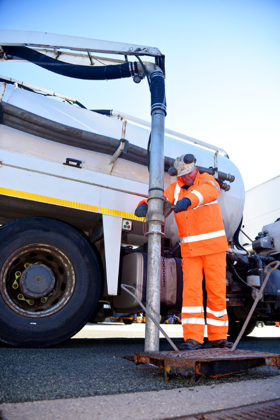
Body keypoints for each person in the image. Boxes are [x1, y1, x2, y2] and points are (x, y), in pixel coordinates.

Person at [135, 153, 232, 350]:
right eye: (184, 175)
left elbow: (208, 192)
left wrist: (188, 201)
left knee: (216, 292)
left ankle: (218, 337)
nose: (189, 176)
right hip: (191, 251)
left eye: (190, 172)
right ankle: (193, 339)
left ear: (195, 169)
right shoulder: (175, 188)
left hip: (213, 248)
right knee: (191, 295)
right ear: (178, 176)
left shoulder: (207, 180)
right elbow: (160, 199)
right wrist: (144, 205)